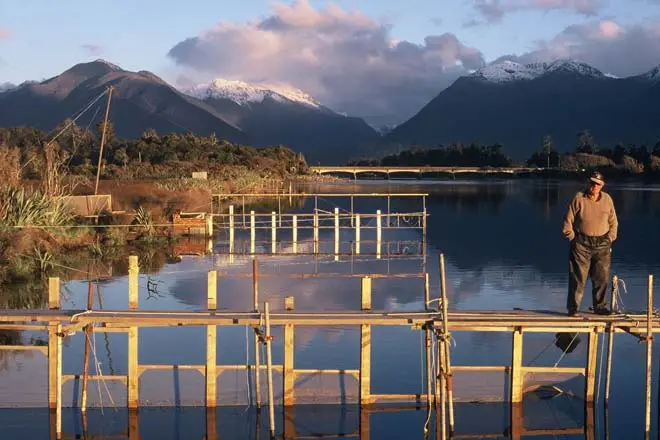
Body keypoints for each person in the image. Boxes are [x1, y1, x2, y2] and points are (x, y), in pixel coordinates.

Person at [562, 171, 618, 316]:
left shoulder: (607, 199)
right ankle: (573, 309)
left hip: (602, 243)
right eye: (592, 183)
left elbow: (613, 222)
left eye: (597, 184)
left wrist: (610, 238)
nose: (594, 186)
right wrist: (572, 237)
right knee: (577, 277)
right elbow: (568, 220)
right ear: (588, 183)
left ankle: (599, 307)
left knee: (602, 277)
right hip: (581, 243)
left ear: (602, 185)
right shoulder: (579, 197)